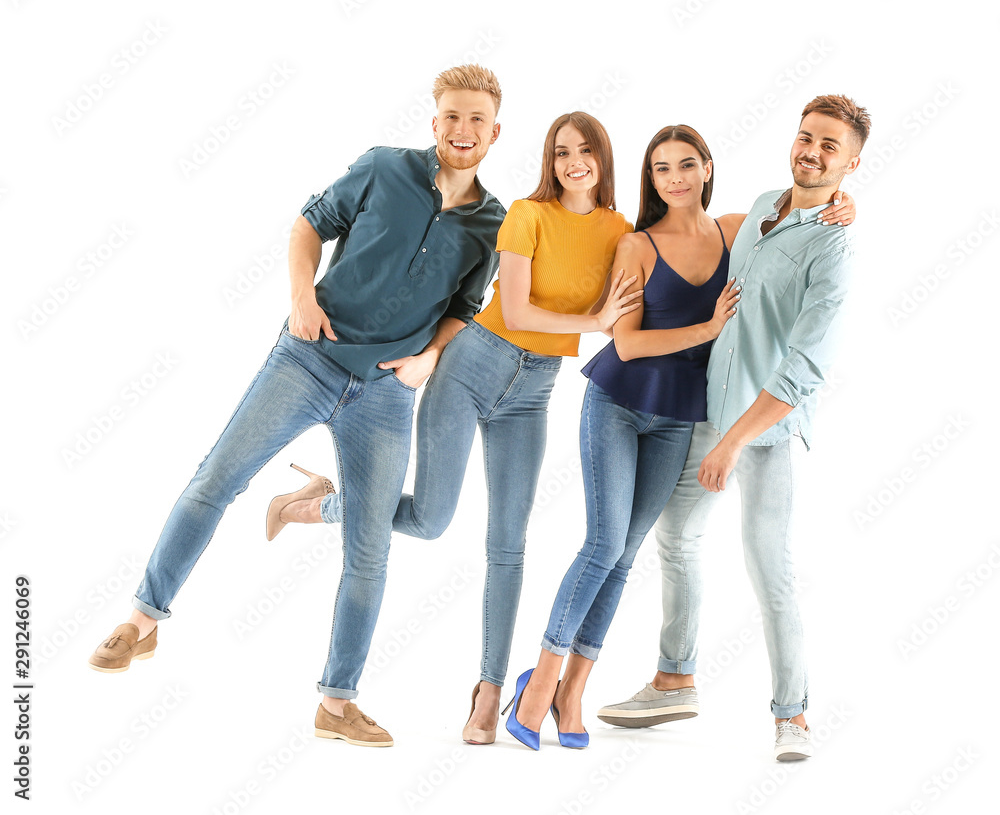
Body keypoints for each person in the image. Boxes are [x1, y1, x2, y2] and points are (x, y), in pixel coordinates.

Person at [87, 64, 507, 748]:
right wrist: (302, 299)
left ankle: (337, 703)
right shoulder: (381, 168)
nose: (463, 131)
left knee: (369, 551)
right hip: (307, 359)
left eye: (476, 122)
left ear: (495, 133)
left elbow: (465, 307)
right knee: (216, 479)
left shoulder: (493, 222)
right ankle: (141, 621)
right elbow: (309, 224)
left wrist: (429, 358)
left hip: (384, 393)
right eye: (452, 118)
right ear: (435, 123)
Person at [269, 111, 641, 745]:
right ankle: (320, 506)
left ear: (605, 159)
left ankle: (488, 692)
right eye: (561, 153)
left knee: (509, 544)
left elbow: (673, 244)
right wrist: (598, 320)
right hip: (474, 364)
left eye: (587, 152)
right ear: (549, 162)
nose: (574, 163)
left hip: (535, 387)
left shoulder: (621, 232)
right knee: (432, 520)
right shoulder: (525, 214)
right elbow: (518, 308)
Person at [503, 122, 855, 749]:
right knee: (620, 541)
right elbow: (627, 341)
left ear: (708, 168)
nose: (675, 179)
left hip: (708, 418)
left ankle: (587, 690)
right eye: (662, 169)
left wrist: (846, 203)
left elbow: (808, 212)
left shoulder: (740, 228)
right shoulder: (639, 245)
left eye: (686, 165)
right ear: (651, 178)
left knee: (675, 552)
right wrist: (708, 328)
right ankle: (558, 684)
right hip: (635, 402)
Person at [598, 95, 870, 762]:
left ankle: (794, 715)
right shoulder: (764, 206)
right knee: (677, 539)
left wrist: (733, 441)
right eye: (807, 137)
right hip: (709, 413)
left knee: (766, 563)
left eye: (829, 146)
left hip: (761, 431)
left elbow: (805, 370)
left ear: (853, 163)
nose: (811, 151)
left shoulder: (834, 249)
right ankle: (675, 679)